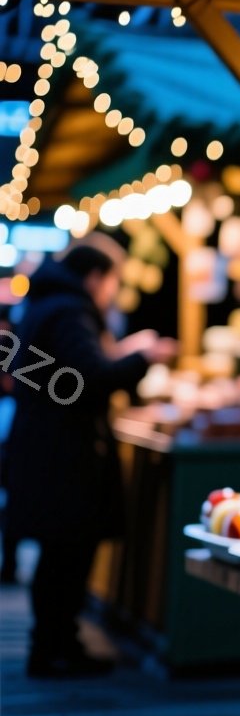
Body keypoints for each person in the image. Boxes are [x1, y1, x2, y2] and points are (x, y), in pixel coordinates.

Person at [4, 238, 175, 677]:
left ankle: (56, 645)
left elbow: (61, 377)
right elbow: (88, 381)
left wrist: (116, 354)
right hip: (63, 453)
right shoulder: (69, 310)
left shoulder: (45, 304)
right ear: (96, 277)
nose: (112, 293)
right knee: (67, 554)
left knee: (58, 554)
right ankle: (55, 649)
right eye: (112, 282)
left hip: (44, 445)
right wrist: (141, 358)